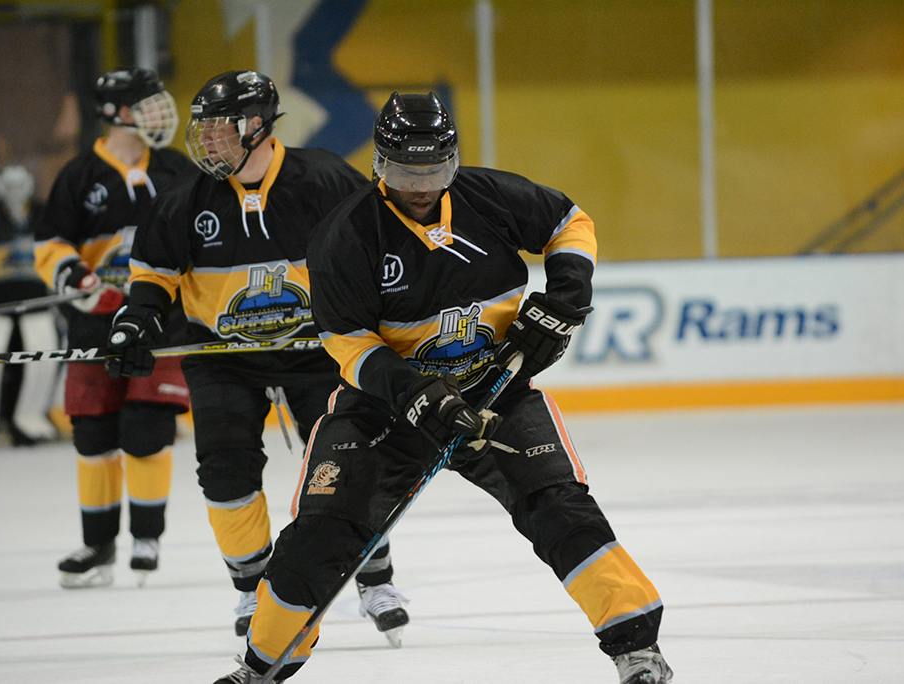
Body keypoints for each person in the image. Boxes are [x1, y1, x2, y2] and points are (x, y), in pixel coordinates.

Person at [211, 92, 673, 684]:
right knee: (323, 533)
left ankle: (637, 648)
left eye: (435, 170)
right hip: (384, 408)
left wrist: (565, 296)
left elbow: (569, 222)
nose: (422, 185)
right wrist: (412, 391)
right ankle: (261, 665)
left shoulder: (489, 196)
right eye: (407, 172)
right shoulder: (345, 235)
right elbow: (348, 344)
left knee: (558, 506)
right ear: (380, 164)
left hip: (495, 391)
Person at [105, 70, 410, 643]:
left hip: (318, 351)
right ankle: (252, 589)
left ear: (257, 125)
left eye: (218, 127)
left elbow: (380, 250)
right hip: (222, 358)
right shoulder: (185, 200)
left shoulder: (324, 179)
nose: (206, 139)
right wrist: (135, 321)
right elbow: (153, 276)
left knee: (349, 461)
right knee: (225, 473)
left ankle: (375, 577)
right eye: (204, 128)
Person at [33, 68, 193, 588]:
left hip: (161, 322)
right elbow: (50, 243)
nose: (158, 111)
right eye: (145, 103)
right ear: (115, 113)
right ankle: (97, 543)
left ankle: (147, 537)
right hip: (94, 328)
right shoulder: (79, 175)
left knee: (148, 428)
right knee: (93, 434)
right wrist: (75, 279)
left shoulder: (176, 169)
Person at [0, 164, 60, 446]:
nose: (15, 193)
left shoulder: (43, 213)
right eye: (9, 187)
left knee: (44, 357)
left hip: (37, 301)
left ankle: (31, 418)